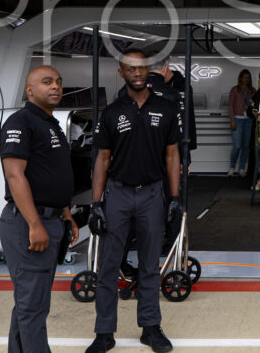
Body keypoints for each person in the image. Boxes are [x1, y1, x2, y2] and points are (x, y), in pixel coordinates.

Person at [86, 50, 182, 353]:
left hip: (152, 194)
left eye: (141, 68)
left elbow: (172, 155)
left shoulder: (166, 109)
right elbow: (102, 160)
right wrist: (96, 203)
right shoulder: (112, 112)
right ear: (121, 73)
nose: (137, 73)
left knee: (150, 265)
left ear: (148, 70)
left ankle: (150, 328)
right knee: (109, 265)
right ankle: (104, 333)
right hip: (118, 194)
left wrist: (175, 199)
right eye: (130, 69)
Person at [0, 65, 78, 353]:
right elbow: (15, 175)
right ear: (29, 90)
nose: (55, 86)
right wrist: (34, 224)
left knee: (30, 302)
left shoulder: (51, 123)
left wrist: (65, 213)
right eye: (47, 82)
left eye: (58, 81)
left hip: (51, 219)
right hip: (28, 223)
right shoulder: (21, 123)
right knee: (33, 306)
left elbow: (52, 173)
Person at [227, 69, 254, 176]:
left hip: (248, 120)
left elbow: (254, 105)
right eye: (244, 77)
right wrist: (232, 121)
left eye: (248, 77)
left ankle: (242, 168)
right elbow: (230, 106)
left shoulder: (252, 90)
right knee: (237, 146)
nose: (246, 79)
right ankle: (232, 167)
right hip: (237, 120)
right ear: (240, 78)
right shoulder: (234, 90)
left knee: (246, 147)